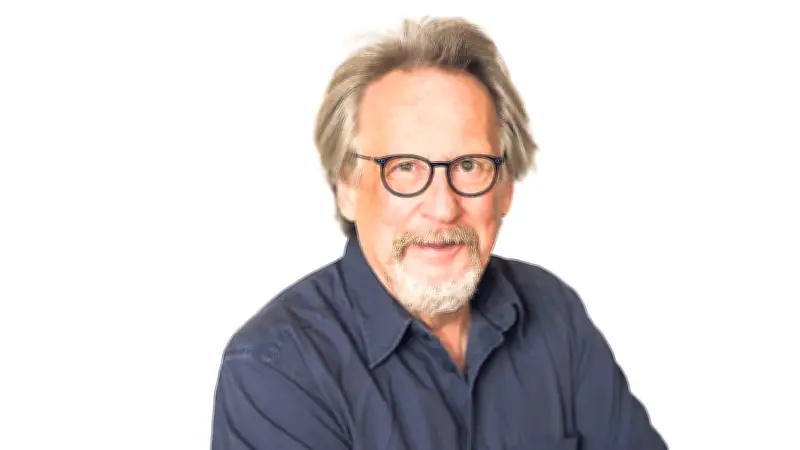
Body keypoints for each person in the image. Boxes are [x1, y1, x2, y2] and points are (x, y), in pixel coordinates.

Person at [211, 16, 667, 450]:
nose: (443, 208)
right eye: (404, 167)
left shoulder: (553, 314)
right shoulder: (275, 369)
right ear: (346, 188)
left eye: (469, 166)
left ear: (506, 188)